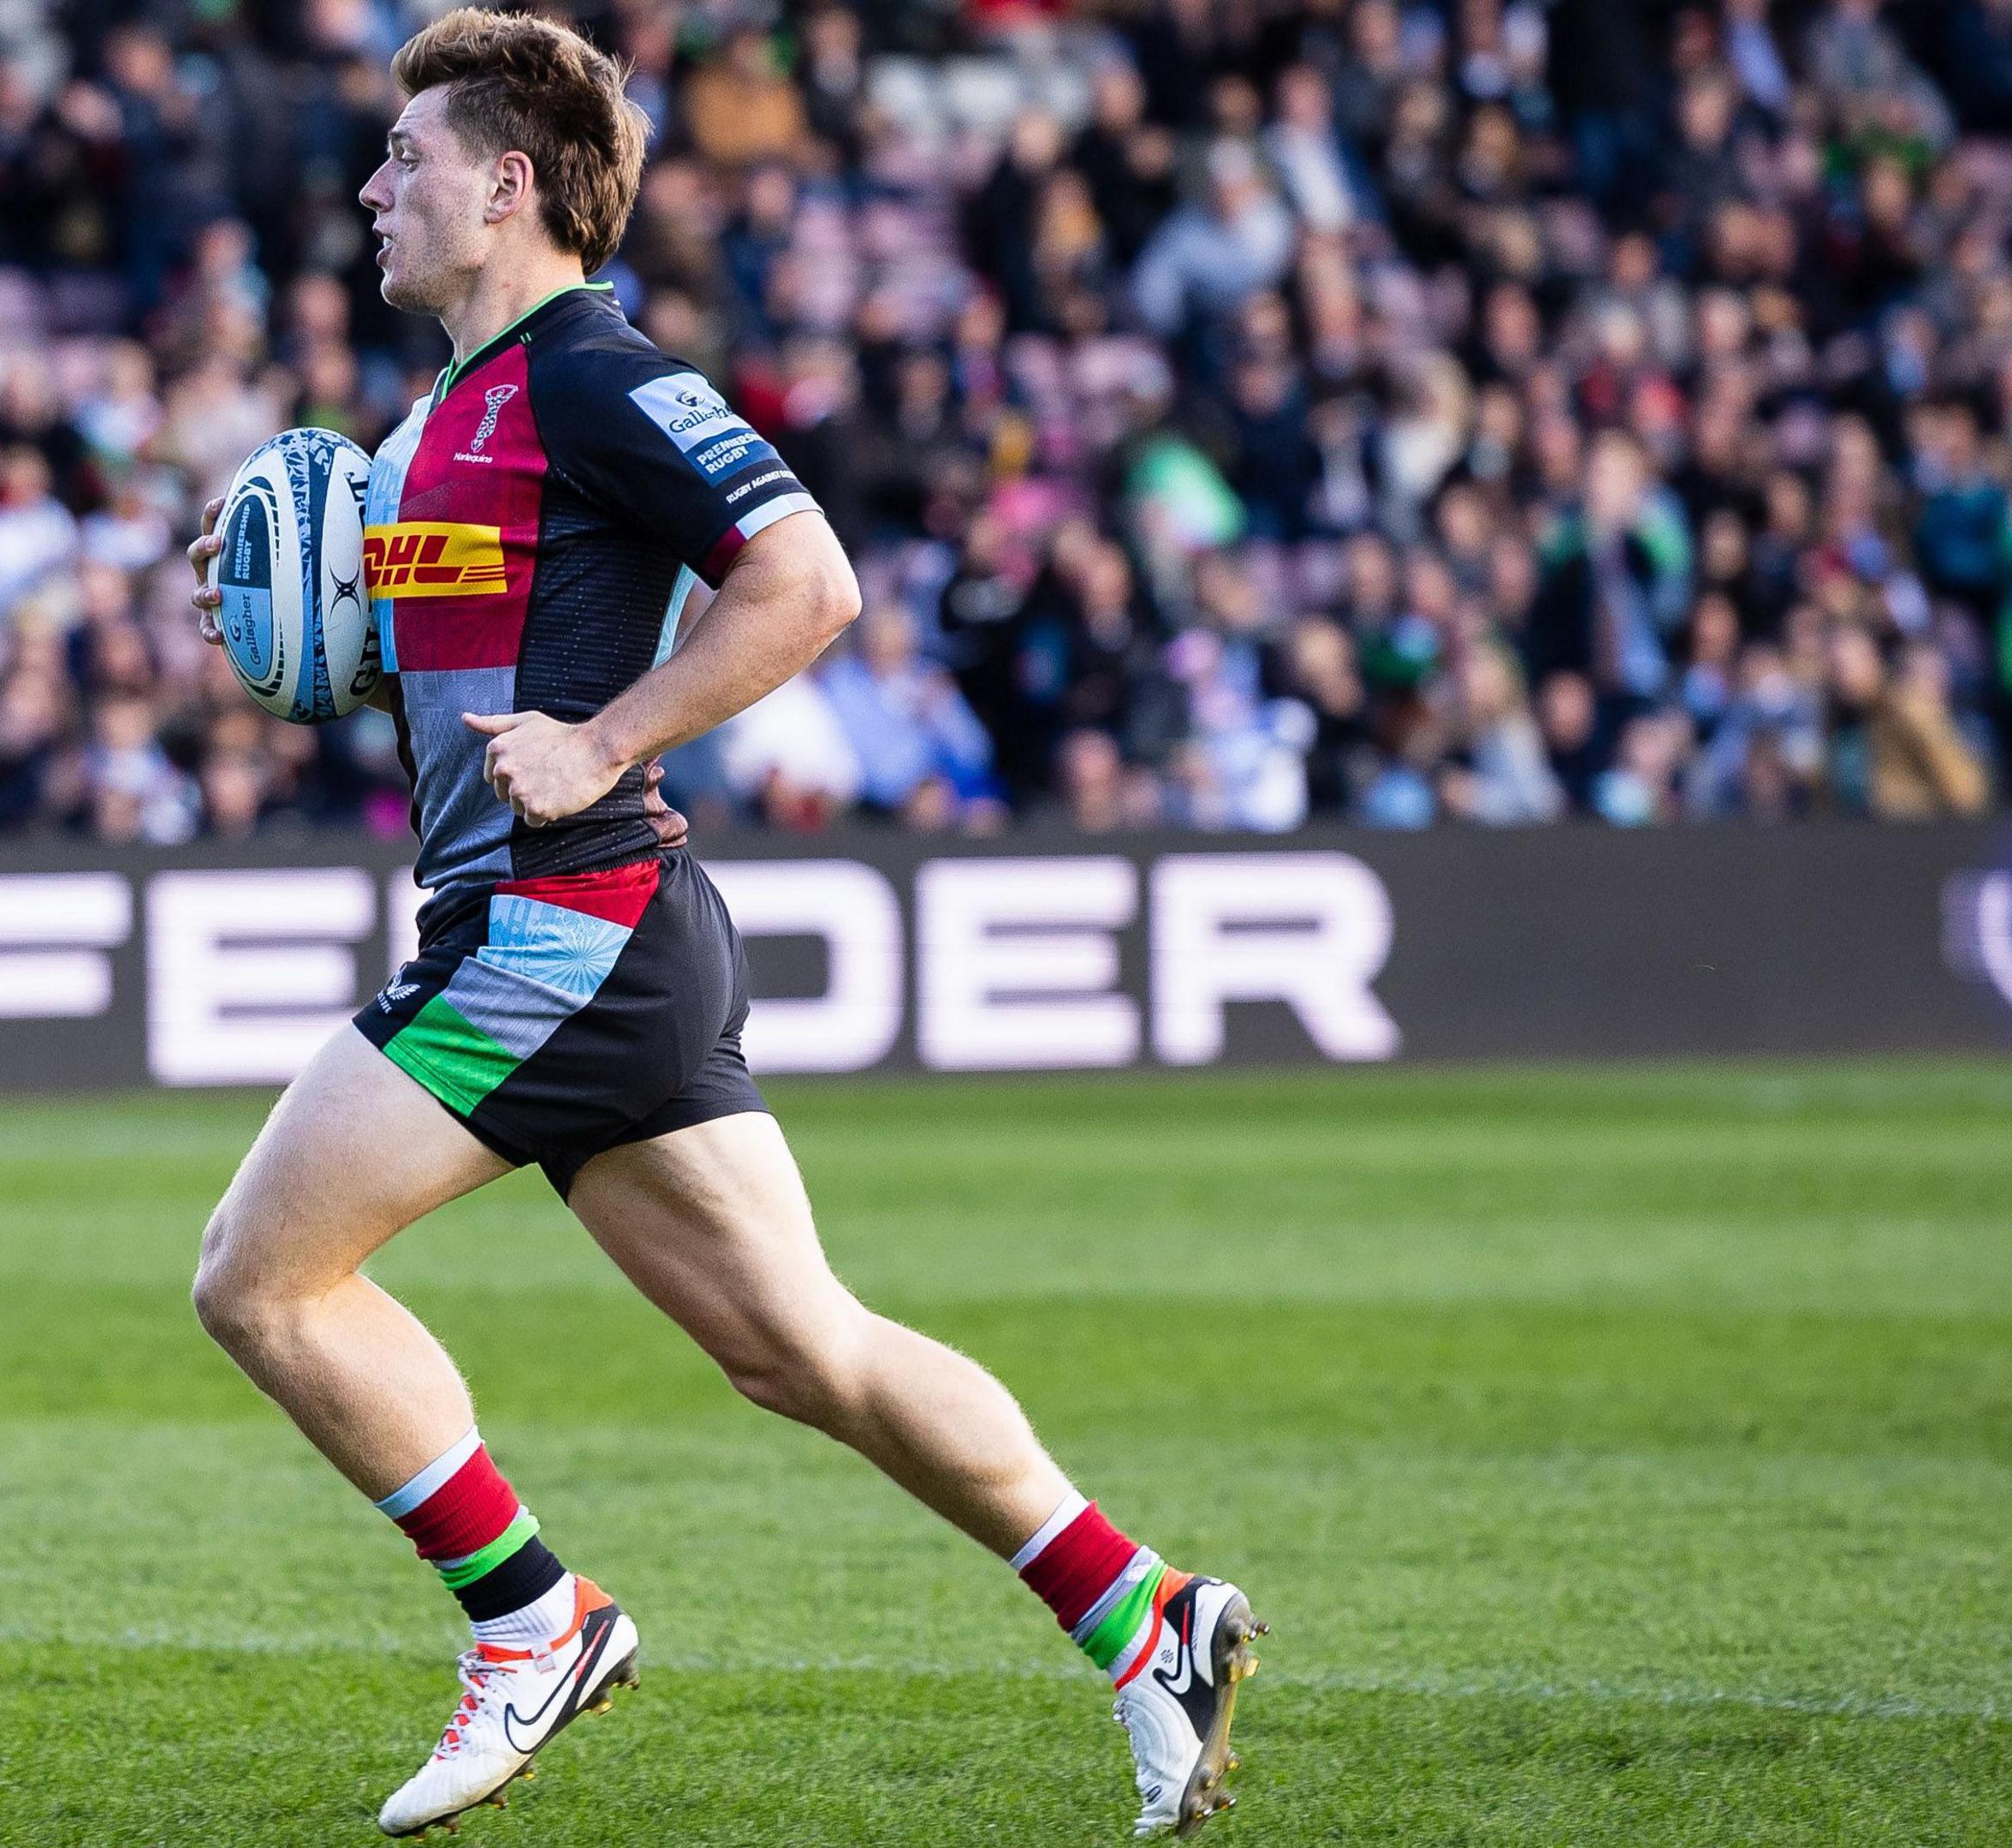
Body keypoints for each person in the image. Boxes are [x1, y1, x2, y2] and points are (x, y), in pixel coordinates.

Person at [181, 15, 1259, 1841]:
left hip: (561, 921)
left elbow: (808, 577)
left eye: (409, 160)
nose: (376, 188)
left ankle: (533, 1615)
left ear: (510, 185)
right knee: (799, 1349)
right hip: (593, 926)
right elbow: (445, 670)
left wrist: (605, 736)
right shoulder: (440, 417)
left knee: (260, 1274)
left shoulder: (592, 373)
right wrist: (312, 620)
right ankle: (1145, 1612)